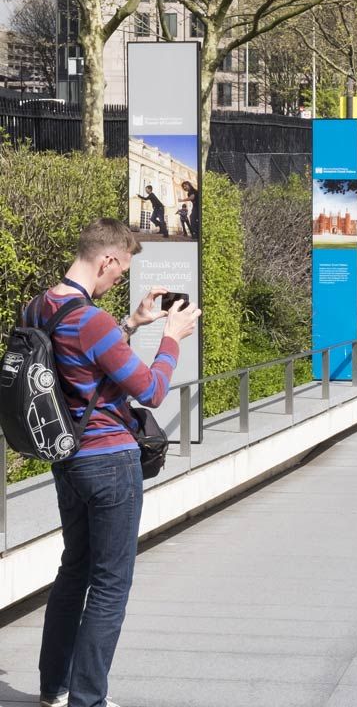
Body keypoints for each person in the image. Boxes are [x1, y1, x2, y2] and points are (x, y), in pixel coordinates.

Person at [30, 219, 201, 707]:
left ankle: (55, 687)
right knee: (109, 584)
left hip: (67, 459)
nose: (119, 279)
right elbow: (150, 389)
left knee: (74, 569)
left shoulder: (40, 307)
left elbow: (78, 365)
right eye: (121, 270)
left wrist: (131, 324)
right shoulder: (91, 321)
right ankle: (89, 699)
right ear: (107, 259)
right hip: (108, 460)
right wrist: (171, 338)